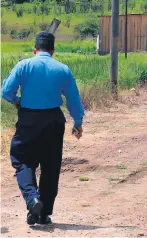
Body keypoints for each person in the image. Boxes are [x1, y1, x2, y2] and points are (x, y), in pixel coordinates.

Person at [1, 32, 85, 225]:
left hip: (29, 119)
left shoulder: (24, 65)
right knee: (50, 166)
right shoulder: (63, 69)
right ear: (53, 50)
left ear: (35, 50)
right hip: (53, 121)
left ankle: (32, 200)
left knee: (22, 161)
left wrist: (17, 102)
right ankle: (42, 213)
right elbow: (74, 102)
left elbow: (6, 92)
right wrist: (78, 124)